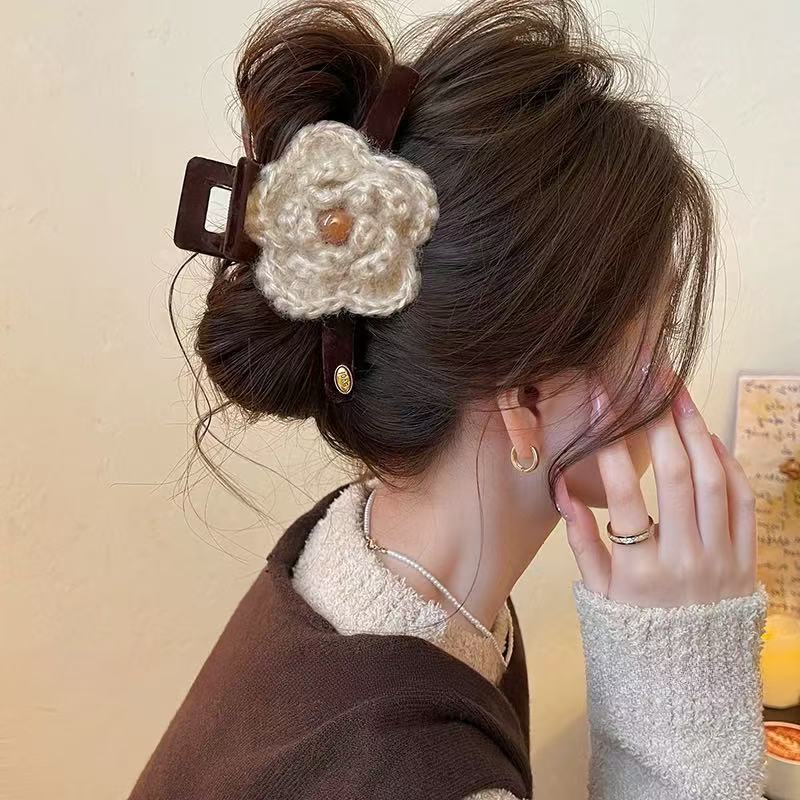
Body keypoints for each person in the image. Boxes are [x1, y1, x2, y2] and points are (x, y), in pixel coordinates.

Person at [128, 1, 768, 798]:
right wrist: (684, 707)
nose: (674, 378)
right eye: (660, 328)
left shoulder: (362, 565)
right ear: (527, 397)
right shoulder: (414, 768)